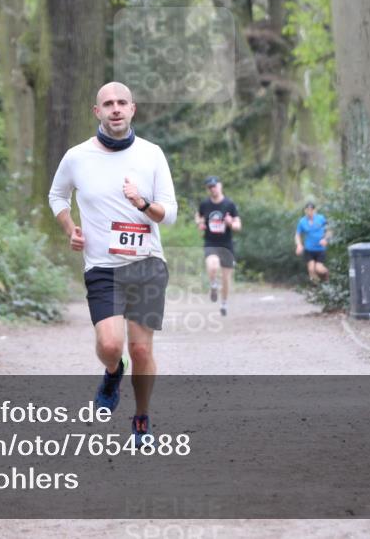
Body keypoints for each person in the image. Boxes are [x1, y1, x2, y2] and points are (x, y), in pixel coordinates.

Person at [48, 82, 177, 447]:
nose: (116, 109)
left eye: (122, 103)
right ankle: (111, 372)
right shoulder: (77, 157)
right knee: (109, 344)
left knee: (141, 349)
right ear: (97, 112)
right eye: (108, 104)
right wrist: (70, 227)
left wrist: (141, 203)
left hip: (147, 263)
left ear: (133, 109)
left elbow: (169, 215)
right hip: (102, 267)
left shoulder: (152, 154)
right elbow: (57, 195)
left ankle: (141, 419)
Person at [195, 176, 241, 316]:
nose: (212, 189)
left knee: (226, 278)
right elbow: (198, 216)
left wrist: (230, 223)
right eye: (209, 187)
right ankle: (213, 285)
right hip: (211, 242)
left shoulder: (229, 204)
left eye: (214, 186)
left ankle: (224, 303)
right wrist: (200, 223)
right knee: (212, 266)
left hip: (226, 244)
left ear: (220, 186)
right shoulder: (205, 204)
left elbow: (238, 226)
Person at [295, 202, 329, 282]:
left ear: (315, 210)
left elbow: (329, 230)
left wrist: (325, 239)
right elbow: (297, 234)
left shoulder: (321, 218)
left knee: (319, 269)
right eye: (307, 210)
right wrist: (299, 245)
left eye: (311, 210)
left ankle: (327, 277)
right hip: (309, 249)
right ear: (305, 211)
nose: (309, 212)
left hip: (320, 249)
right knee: (311, 269)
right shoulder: (302, 221)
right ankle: (316, 288)